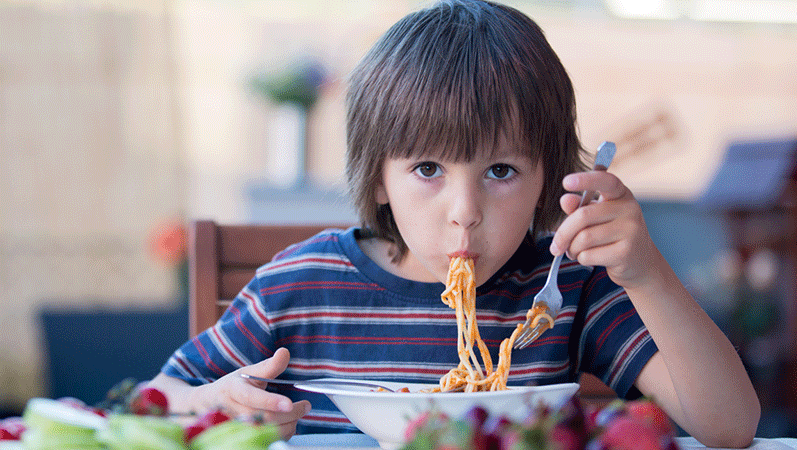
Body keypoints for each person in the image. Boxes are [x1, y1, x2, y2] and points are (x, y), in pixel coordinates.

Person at [147, 0, 760, 445]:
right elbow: (155, 403)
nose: (464, 212)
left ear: (548, 177)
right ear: (379, 180)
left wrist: (646, 273)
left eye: (500, 170)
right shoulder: (301, 287)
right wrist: (213, 404)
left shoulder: (567, 289)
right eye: (428, 169)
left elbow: (730, 427)